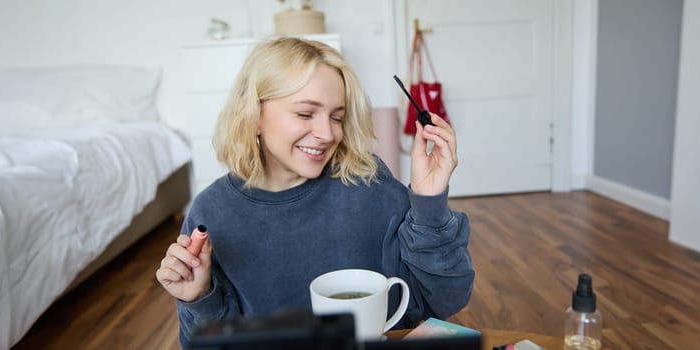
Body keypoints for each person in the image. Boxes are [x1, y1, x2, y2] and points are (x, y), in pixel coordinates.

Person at [154, 36, 474, 346]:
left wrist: (428, 200)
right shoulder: (211, 213)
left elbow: (443, 299)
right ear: (253, 116)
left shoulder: (368, 183)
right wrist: (199, 298)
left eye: (337, 116)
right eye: (305, 113)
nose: (327, 133)